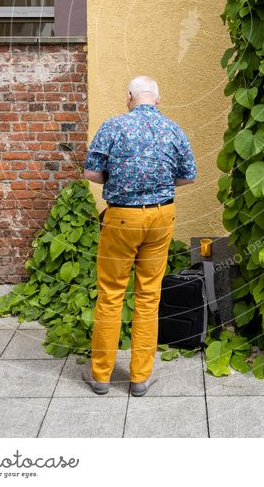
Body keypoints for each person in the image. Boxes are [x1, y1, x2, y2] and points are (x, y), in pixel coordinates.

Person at [81, 75, 197, 396]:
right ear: (157, 100)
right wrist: (158, 186)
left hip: (121, 218)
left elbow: (91, 172)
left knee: (111, 295)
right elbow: (189, 175)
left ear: (129, 97)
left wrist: (121, 182)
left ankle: (101, 377)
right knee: (148, 297)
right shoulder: (173, 129)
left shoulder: (113, 126)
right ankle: (139, 378)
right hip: (161, 216)